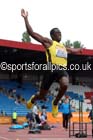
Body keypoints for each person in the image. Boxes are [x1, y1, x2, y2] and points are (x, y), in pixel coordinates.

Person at [21, 9, 82, 117]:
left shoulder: (63, 47)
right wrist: (26, 18)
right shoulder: (49, 42)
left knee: (65, 84)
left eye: (60, 33)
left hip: (61, 70)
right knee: (41, 95)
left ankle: (55, 102)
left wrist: (79, 50)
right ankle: (33, 99)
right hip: (50, 69)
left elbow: (72, 50)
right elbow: (32, 33)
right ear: (52, 35)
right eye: (57, 33)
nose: (60, 35)